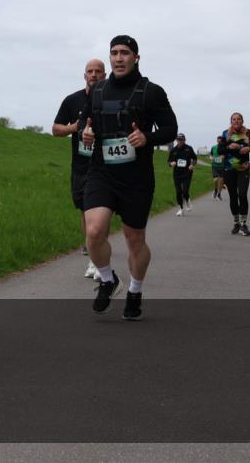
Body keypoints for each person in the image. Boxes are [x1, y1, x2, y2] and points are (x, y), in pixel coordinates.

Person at [81, 35, 178, 320]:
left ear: (136, 57)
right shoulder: (97, 91)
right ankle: (108, 279)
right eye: (114, 53)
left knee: (134, 239)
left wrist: (147, 137)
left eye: (125, 53)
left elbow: (171, 129)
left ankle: (135, 291)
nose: (119, 58)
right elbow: (88, 126)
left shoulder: (152, 92)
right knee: (95, 231)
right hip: (102, 172)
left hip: (136, 177)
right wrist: (87, 134)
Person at [52, 59, 107, 280]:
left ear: (104, 75)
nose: (93, 74)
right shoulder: (72, 100)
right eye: (90, 71)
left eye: (98, 71)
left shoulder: (110, 97)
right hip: (81, 166)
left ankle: (95, 259)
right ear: (84, 75)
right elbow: (56, 129)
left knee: (96, 212)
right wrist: (75, 127)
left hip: (104, 166)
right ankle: (94, 251)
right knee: (85, 211)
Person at [221, 112, 250, 236]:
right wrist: (231, 147)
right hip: (229, 169)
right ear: (231, 121)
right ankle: (236, 223)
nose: (236, 121)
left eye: (238, 119)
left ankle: (243, 224)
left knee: (242, 195)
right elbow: (221, 149)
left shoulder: (249, 132)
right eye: (234, 119)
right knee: (233, 196)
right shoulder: (226, 133)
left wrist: (249, 148)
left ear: (242, 121)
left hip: (243, 169)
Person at [168, 133, 197, 216]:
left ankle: (187, 201)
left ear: (184, 140)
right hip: (177, 174)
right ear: (176, 140)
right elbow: (169, 161)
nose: (180, 141)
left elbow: (194, 158)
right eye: (178, 140)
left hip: (187, 173)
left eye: (181, 140)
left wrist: (192, 165)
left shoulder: (189, 148)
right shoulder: (173, 150)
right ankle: (181, 208)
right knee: (178, 192)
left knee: (185, 191)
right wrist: (171, 164)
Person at [209, 134, 227, 200]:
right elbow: (210, 154)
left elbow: (225, 155)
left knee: (221, 180)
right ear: (217, 140)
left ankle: (219, 193)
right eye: (218, 139)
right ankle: (215, 189)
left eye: (220, 139)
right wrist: (211, 158)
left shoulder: (224, 147)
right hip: (214, 166)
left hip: (222, 166)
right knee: (216, 179)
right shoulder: (213, 147)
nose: (219, 140)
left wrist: (223, 157)